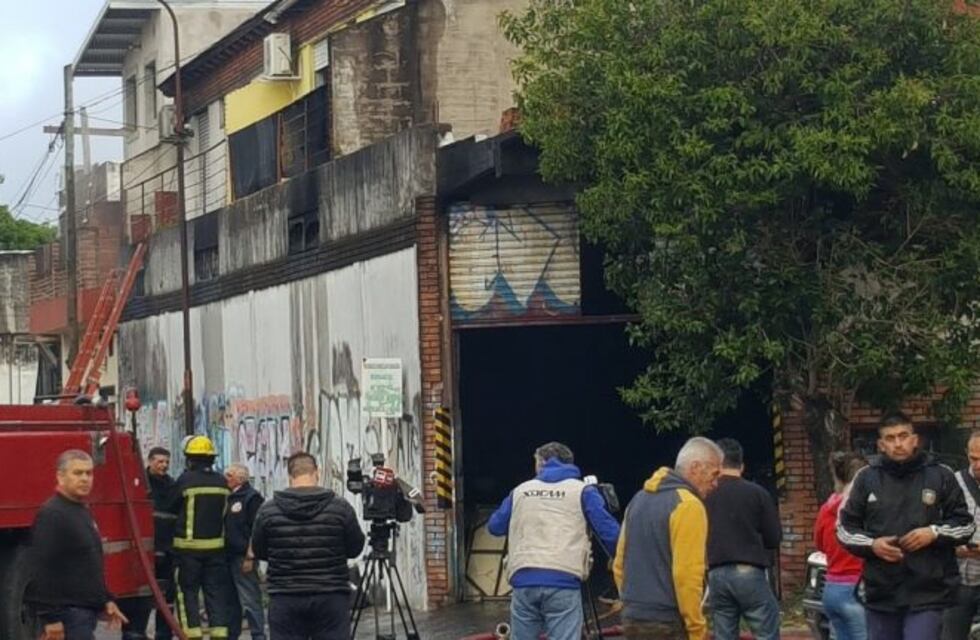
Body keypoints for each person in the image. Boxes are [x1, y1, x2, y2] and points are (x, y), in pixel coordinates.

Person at [838, 412, 974, 640]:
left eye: (903, 436)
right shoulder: (866, 477)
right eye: (890, 438)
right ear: (881, 445)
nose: (898, 444)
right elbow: (844, 529)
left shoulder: (940, 474)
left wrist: (933, 533)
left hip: (928, 591)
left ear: (915, 440)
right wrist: (872, 544)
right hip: (881, 591)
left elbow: (965, 525)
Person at [486, 442, 621, 640]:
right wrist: (621, 562)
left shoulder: (520, 491)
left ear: (542, 463)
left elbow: (494, 526)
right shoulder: (583, 491)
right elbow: (610, 533)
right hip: (563, 580)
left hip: (523, 580)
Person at [613, 436, 723, 640]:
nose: (716, 483)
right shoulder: (688, 505)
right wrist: (696, 629)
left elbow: (620, 564)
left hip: (633, 619)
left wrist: (632, 604)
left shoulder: (637, 501)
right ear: (695, 467)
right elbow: (687, 575)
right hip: (668, 622)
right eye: (714, 474)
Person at [250, 452, 365, 640]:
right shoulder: (340, 508)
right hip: (330, 595)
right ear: (317, 473)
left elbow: (260, 550)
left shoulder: (268, 511)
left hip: (285, 596)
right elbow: (355, 548)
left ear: (290, 476)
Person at [27, 449, 129, 640]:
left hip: (83, 614)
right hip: (68, 615)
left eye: (89, 473)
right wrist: (51, 618)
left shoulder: (80, 510)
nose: (84, 479)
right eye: (77, 473)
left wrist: (105, 599)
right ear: (60, 476)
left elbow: (87, 563)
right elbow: (42, 568)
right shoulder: (53, 514)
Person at [704, 438, 782, 640]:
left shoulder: (705, 495)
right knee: (766, 631)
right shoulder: (757, 494)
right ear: (742, 466)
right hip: (749, 572)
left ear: (717, 465)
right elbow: (774, 538)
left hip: (716, 574)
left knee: (724, 634)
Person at [165, 435, 236, 640]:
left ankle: (192, 635)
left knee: (187, 594)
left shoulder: (185, 481)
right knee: (216, 594)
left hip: (187, 551)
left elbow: (170, 507)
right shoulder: (222, 482)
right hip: (216, 551)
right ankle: (219, 635)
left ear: (190, 459)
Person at [815, 451, 869, 640]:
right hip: (856, 587)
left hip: (831, 587)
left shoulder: (826, 509)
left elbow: (820, 545)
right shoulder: (862, 509)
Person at [943, 431, 980, 640]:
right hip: (958, 581)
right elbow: (936, 524)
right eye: (973, 458)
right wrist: (952, 545)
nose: (977, 465)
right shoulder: (953, 483)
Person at [224, 463, 266, 640]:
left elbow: (256, 529)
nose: (225, 479)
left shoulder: (251, 498)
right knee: (231, 600)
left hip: (243, 557)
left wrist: (250, 556)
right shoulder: (230, 497)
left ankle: (258, 635)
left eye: (229, 475)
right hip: (228, 556)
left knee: (250, 599)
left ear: (240, 478)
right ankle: (232, 634)